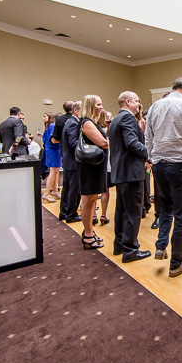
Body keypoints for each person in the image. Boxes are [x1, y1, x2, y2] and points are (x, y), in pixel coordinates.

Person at [145, 77, 182, 277]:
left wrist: (153, 158)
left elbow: (148, 138)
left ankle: (161, 245)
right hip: (180, 167)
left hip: (159, 165)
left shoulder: (154, 107)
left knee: (166, 207)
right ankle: (177, 262)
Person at [108, 91, 151, 263]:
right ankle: (131, 250)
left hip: (121, 172)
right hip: (131, 173)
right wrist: (149, 154)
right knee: (133, 212)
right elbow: (131, 143)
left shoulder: (115, 120)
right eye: (136, 101)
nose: (139, 105)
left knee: (122, 211)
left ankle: (119, 245)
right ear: (127, 102)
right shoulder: (127, 119)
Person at [77, 95, 109, 250]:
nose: (101, 107)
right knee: (88, 201)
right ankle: (88, 234)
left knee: (91, 200)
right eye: (98, 104)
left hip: (95, 167)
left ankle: (89, 230)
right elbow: (103, 143)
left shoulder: (91, 122)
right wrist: (111, 141)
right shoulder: (87, 122)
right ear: (90, 106)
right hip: (90, 168)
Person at [59, 102, 82, 223]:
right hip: (73, 161)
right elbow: (74, 143)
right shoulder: (74, 124)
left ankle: (64, 212)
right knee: (74, 189)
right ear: (76, 111)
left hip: (68, 161)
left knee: (67, 188)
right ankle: (71, 214)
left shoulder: (70, 122)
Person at [96, 110, 113, 226]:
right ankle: (103, 214)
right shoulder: (110, 130)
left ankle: (93, 214)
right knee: (105, 191)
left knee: (93, 192)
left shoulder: (94, 129)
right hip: (107, 163)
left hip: (94, 162)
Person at [41, 112, 60, 203]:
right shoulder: (52, 126)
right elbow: (53, 140)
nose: (43, 118)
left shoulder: (48, 126)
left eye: (45, 116)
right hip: (53, 150)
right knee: (53, 171)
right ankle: (47, 193)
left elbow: (45, 139)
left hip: (52, 150)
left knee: (56, 171)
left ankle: (55, 190)